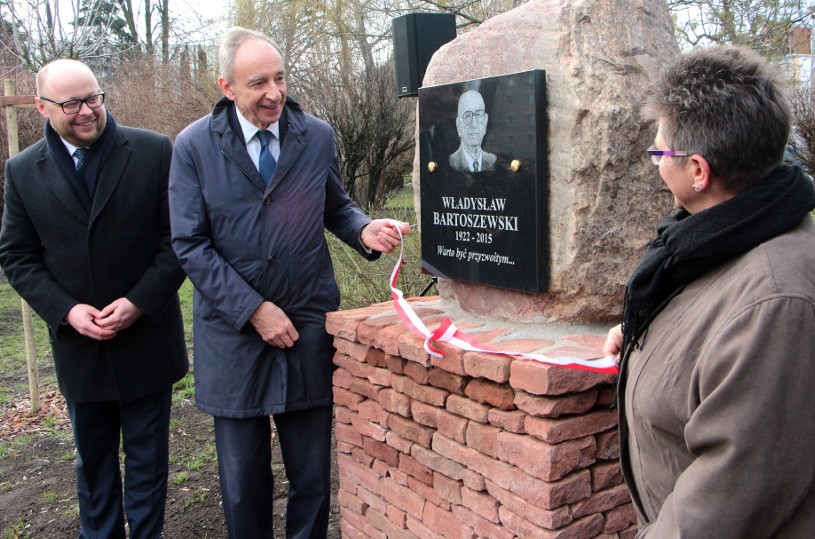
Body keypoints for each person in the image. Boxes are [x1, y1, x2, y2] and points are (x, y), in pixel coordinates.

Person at [168, 27, 411, 539]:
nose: (274, 93)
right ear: (226, 86)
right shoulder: (194, 146)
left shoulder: (316, 135)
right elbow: (189, 243)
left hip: (305, 324)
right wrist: (254, 309)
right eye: (258, 82)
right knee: (242, 484)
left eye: (280, 78)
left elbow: (334, 205)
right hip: (233, 335)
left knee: (312, 479)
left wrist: (365, 228)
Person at [602, 45, 815, 537]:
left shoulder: (782, 301)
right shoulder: (723, 233)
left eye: (659, 152)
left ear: (698, 171)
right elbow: (712, 333)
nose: (655, 164)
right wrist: (644, 340)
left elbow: (728, 500)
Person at [0, 59, 188, 538]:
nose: (87, 112)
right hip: (81, 351)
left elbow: (179, 242)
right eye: (71, 104)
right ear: (42, 107)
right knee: (94, 468)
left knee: (148, 467)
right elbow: (17, 256)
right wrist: (65, 310)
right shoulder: (22, 172)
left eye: (94, 98)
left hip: (147, 343)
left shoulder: (152, 151)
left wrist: (139, 302)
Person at [448, 89, 497, 172]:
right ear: (459, 124)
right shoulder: (452, 162)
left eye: (478, 115)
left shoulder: (492, 160)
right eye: (467, 116)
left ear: (485, 122)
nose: (474, 124)